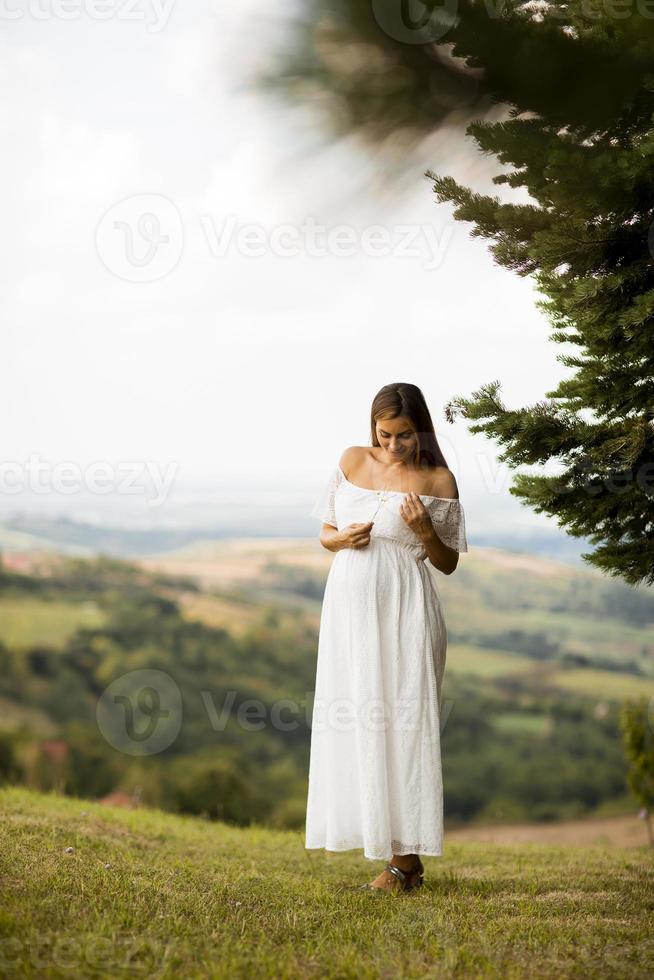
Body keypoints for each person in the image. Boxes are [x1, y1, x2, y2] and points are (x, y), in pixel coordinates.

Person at [304, 382, 468, 893]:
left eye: (404, 436)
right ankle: (392, 854)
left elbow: (448, 563)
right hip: (350, 614)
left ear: (421, 430)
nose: (394, 446)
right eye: (385, 434)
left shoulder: (439, 480)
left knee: (403, 725)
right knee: (359, 721)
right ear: (372, 428)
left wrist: (424, 532)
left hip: (407, 613)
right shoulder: (352, 461)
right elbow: (326, 531)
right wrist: (341, 539)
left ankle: (404, 863)